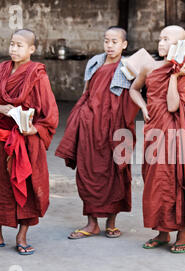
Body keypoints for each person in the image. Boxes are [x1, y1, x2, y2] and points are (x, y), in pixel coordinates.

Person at [0, 29, 59, 255]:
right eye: (11, 44)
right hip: (5, 140)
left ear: (32, 50)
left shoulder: (38, 75)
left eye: (19, 45)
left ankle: (22, 236)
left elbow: (50, 114)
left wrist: (33, 129)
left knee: (26, 186)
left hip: (28, 142)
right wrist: (2, 109)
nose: (13, 49)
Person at [55, 26, 139, 239]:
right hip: (90, 126)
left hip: (115, 127)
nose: (109, 46)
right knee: (88, 171)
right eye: (106, 41)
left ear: (124, 45)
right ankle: (91, 223)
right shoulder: (95, 63)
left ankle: (111, 222)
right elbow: (87, 92)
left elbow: (134, 94)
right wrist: (82, 115)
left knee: (115, 172)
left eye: (114, 42)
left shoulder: (130, 66)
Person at [129, 25, 185, 253]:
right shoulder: (149, 67)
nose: (161, 43)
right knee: (157, 182)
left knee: (180, 180)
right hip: (155, 132)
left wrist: (175, 77)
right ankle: (162, 233)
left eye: (167, 39)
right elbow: (134, 89)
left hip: (180, 135)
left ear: (180, 46)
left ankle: (181, 234)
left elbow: (173, 105)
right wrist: (143, 107)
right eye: (160, 38)